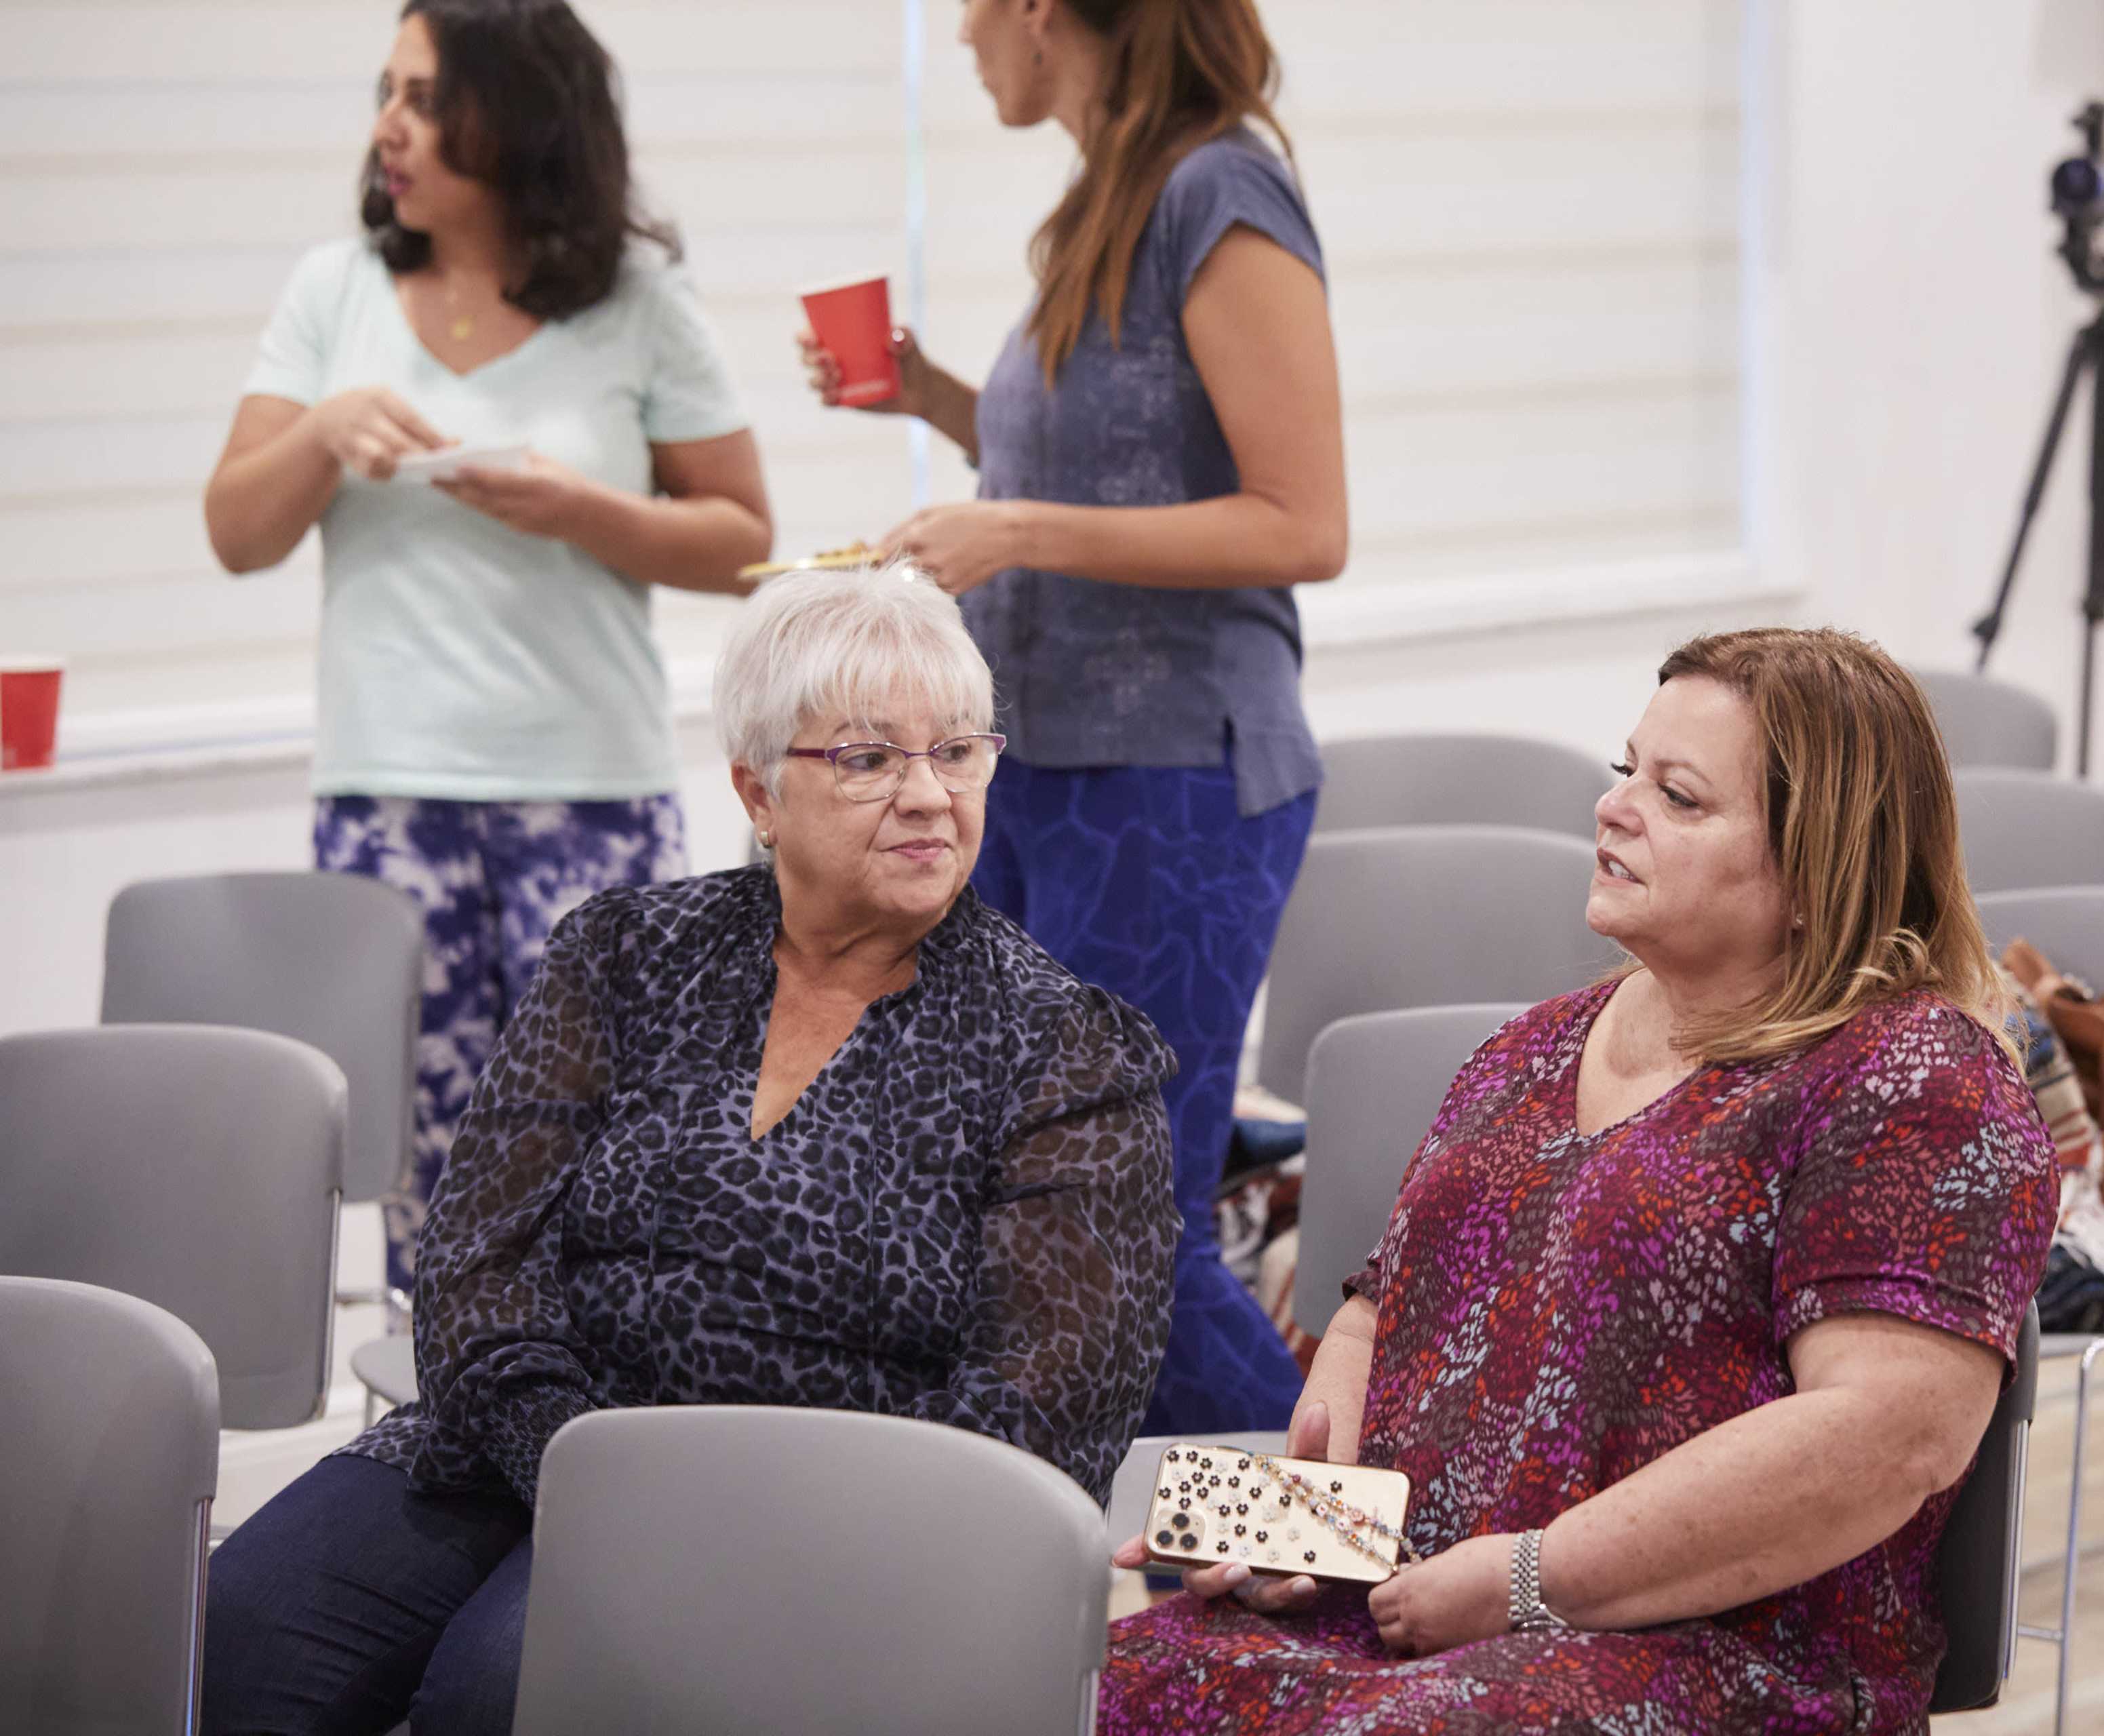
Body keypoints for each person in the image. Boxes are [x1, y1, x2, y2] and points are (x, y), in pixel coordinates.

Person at [199, 562, 1179, 1736]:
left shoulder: (1065, 1048)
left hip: (811, 1516)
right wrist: (574, 1464)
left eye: (958, 752)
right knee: (236, 1640)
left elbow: (1045, 1423)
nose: (928, 796)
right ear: (757, 793)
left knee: (496, 1698)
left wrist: (699, 1512)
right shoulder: (628, 953)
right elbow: (475, 1263)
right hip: (521, 1452)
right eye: (868, 759)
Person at [1100, 627, 2061, 1735]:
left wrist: (1526, 1580)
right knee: (1075, 1692)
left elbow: (1885, 1439)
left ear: (1818, 865)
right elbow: (1379, 1317)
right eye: (1626, 774)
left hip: (1718, 1656)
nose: (1615, 810)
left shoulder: (1914, 1077)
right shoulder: (1534, 1047)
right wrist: (1307, 1539)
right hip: (1410, 1612)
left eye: (1681, 798)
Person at [798, 0, 1345, 1436]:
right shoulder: (1109, 195)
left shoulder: (1220, 187)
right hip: (1043, 771)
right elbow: (1127, 460)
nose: (963, 34)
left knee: (1113, 1227)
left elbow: (1303, 519)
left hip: (1173, 781)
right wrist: (928, 398)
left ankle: (1358, 1552)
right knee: (1036, 1215)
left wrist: (1016, 527)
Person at [201, 0, 774, 1298]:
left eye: (422, 97)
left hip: (595, 803)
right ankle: (451, 1453)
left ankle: (595, 1454)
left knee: (614, 1155)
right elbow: (237, 532)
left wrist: (580, 511)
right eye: (383, 93)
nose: (387, 128)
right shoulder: (332, 290)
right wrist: (326, 430)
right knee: (432, 1174)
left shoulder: (639, 301)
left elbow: (742, 541)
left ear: (516, 118)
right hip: (390, 802)